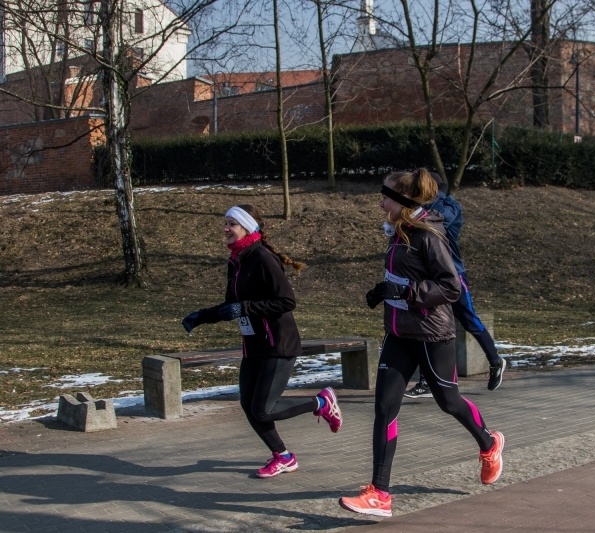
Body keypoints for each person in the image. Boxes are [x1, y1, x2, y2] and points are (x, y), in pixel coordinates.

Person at [338, 169, 504, 517]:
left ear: (405, 202)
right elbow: (402, 277)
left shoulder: (429, 237)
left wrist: (406, 292)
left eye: (386, 196)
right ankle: (379, 493)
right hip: (399, 334)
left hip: (431, 335)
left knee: (449, 401)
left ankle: (489, 444)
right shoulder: (398, 233)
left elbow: (450, 287)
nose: (380, 201)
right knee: (384, 407)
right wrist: (385, 291)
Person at [181, 204, 342, 478]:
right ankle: (284, 456)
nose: (225, 228)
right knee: (249, 406)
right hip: (254, 346)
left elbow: (286, 301)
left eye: (231, 223)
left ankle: (321, 403)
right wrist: (201, 317)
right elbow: (232, 304)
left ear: (246, 226)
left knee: (263, 408)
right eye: (225, 222)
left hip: (277, 345)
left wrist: (246, 308)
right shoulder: (237, 261)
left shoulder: (263, 258)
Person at [405, 171, 506, 398]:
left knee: (469, 320)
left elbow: (434, 221)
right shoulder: (422, 208)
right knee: (428, 324)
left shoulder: (447, 208)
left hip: (453, 276)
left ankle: (495, 361)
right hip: (429, 278)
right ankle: (427, 380)